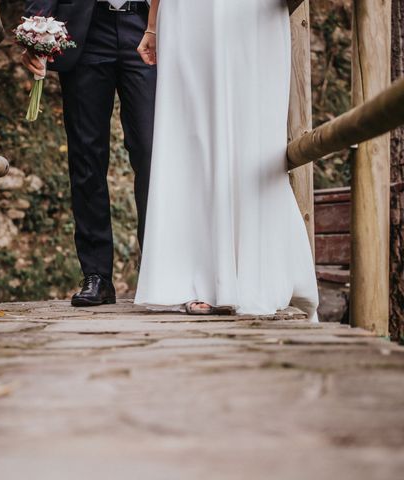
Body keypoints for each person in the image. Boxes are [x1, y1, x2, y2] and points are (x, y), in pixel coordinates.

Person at [134, 0, 319, 320]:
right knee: (192, 134)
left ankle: (251, 268)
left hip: (249, 12)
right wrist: (152, 23)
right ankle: (199, 277)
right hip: (188, 13)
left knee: (251, 130)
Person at [22, 1, 156, 307]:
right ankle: (96, 276)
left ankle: (156, 268)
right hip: (86, 29)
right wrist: (34, 28)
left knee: (152, 152)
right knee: (86, 156)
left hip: (146, 22)